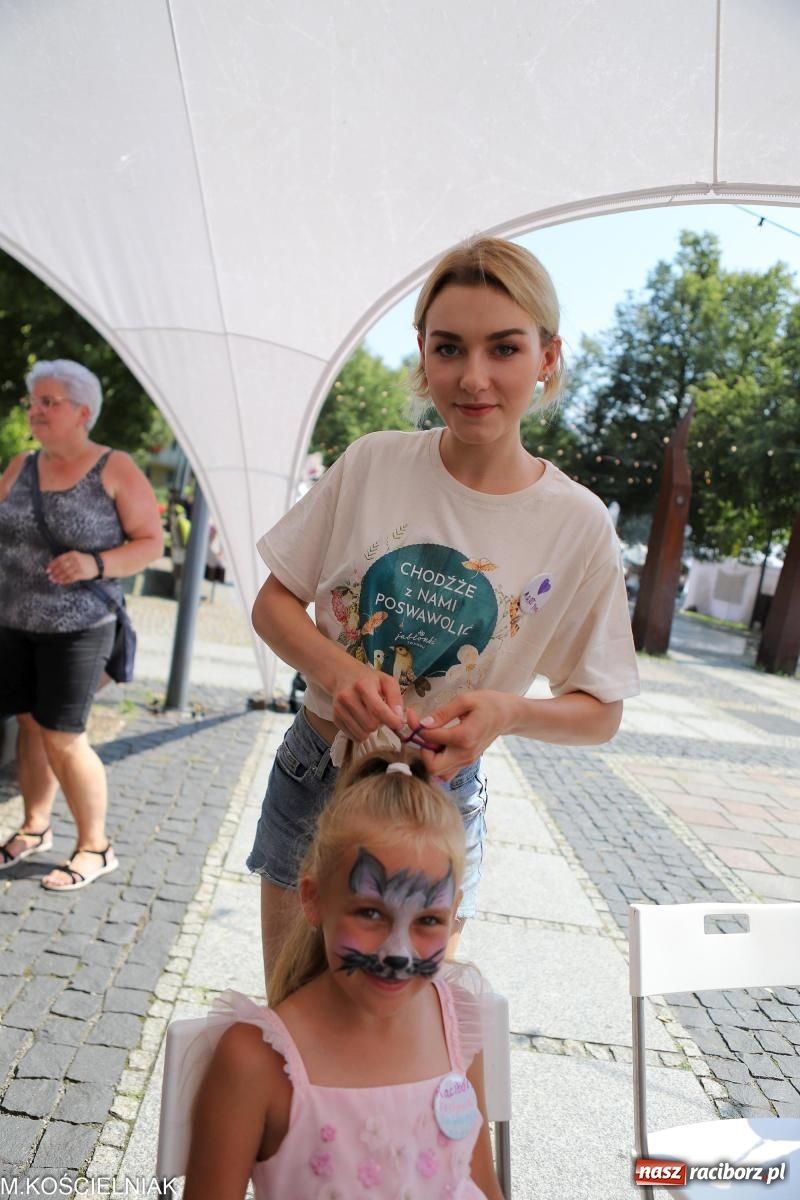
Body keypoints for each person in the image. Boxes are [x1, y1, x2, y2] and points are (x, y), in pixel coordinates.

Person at [249, 236, 640, 975]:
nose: (474, 378)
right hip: (316, 771)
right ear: (423, 352)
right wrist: (338, 670)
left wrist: (509, 712)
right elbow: (274, 604)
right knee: (294, 1018)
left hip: (438, 803)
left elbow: (601, 711)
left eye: (504, 348)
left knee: (407, 1039)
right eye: (450, 347)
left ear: (548, 357)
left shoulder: (577, 524)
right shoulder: (372, 462)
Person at [184, 754, 504, 1200]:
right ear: (313, 899)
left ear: (453, 914)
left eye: (428, 920)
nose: (398, 953)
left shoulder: (459, 1025)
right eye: (371, 913)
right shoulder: (256, 1063)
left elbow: (482, 1185)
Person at [0, 359, 163, 889]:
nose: (36, 411)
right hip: (15, 619)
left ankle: (96, 846)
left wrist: (95, 564)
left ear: (82, 412)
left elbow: (149, 543)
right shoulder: (21, 464)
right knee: (28, 723)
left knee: (63, 735)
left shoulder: (114, 467)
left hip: (80, 624)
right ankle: (34, 826)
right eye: (34, 402)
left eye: (50, 402)